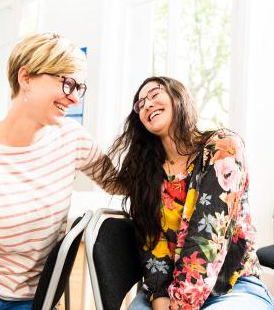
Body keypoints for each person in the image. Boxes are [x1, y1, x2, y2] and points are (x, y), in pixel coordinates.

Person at [94, 76, 274, 309]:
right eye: (140, 104)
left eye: (154, 94)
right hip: (167, 292)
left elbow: (207, 238)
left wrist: (179, 305)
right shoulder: (147, 175)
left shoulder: (222, 148)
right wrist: (160, 298)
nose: (147, 104)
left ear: (177, 96)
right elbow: (152, 249)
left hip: (231, 287)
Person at [0, 33, 104, 310]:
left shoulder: (71, 139)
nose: (74, 99)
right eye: (67, 83)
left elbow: (125, 183)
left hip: (32, 299)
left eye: (79, 88)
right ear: (26, 78)